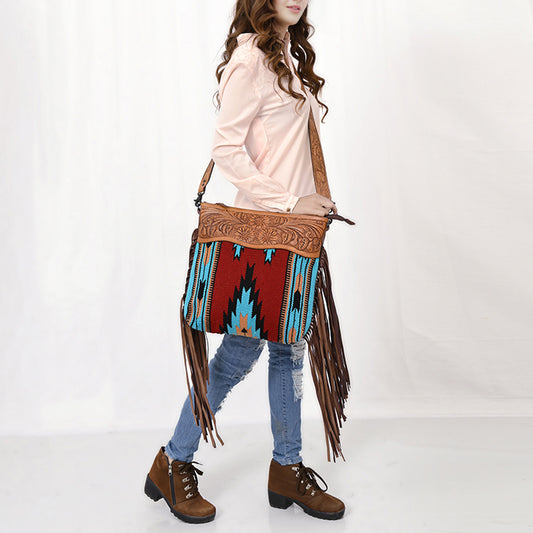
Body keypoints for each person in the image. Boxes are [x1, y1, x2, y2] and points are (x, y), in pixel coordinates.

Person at [144, 0, 345, 524]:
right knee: (239, 354)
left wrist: (307, 203)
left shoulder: (286, 55)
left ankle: (285, 467)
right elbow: (226, 148)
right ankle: (174, 459)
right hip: (259, 238)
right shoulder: (250, 59)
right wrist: (289, 201)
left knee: (288, 349)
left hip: (293, 239)